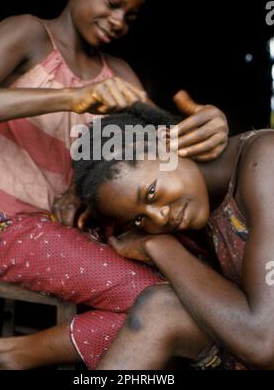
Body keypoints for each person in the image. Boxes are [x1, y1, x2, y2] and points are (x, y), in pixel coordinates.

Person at [0, 0, 228, 370]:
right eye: (112, 3)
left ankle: (8, 356)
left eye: (130, 16)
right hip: (4, 223)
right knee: (172, 303)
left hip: (75, 229)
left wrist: (215, 129)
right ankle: (9, 356)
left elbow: (158, 155)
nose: (118, 21)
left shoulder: (122, 76)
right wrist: (72, 97)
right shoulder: (29, 34)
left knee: (193, 295)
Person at [68, 103, 274, 370]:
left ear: (169, 145)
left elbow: (264, 343)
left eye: (151, 193)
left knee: (161, 308)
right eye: (140, 219)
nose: (160, 217)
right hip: (251, 334)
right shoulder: (200, 204)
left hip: (261, 339)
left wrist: (160, 247)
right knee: (161, 308)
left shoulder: (265, 162)